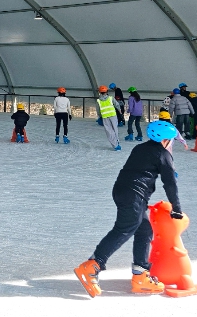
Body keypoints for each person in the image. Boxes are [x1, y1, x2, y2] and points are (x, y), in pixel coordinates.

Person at [74, 121, 182, 297]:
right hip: (134, 195)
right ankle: (92, 265)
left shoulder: (140, 148)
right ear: (165, 140)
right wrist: (176, 208)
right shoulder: (163, 154)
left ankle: (140, 275)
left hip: (122, 190)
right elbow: (170, 183)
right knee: (124, 229)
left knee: (144, 230)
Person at [97, 85, 122, 151]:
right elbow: (117, 104)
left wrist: (100, 116)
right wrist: (119, 111)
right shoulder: (111, 98)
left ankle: (115, 145)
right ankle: (117, 142)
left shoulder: (98, 101)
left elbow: (98, 110)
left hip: (105, 117)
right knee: (115, 129)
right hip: (113, 116)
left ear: (100, 92)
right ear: (107, 91)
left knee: (109, 131)